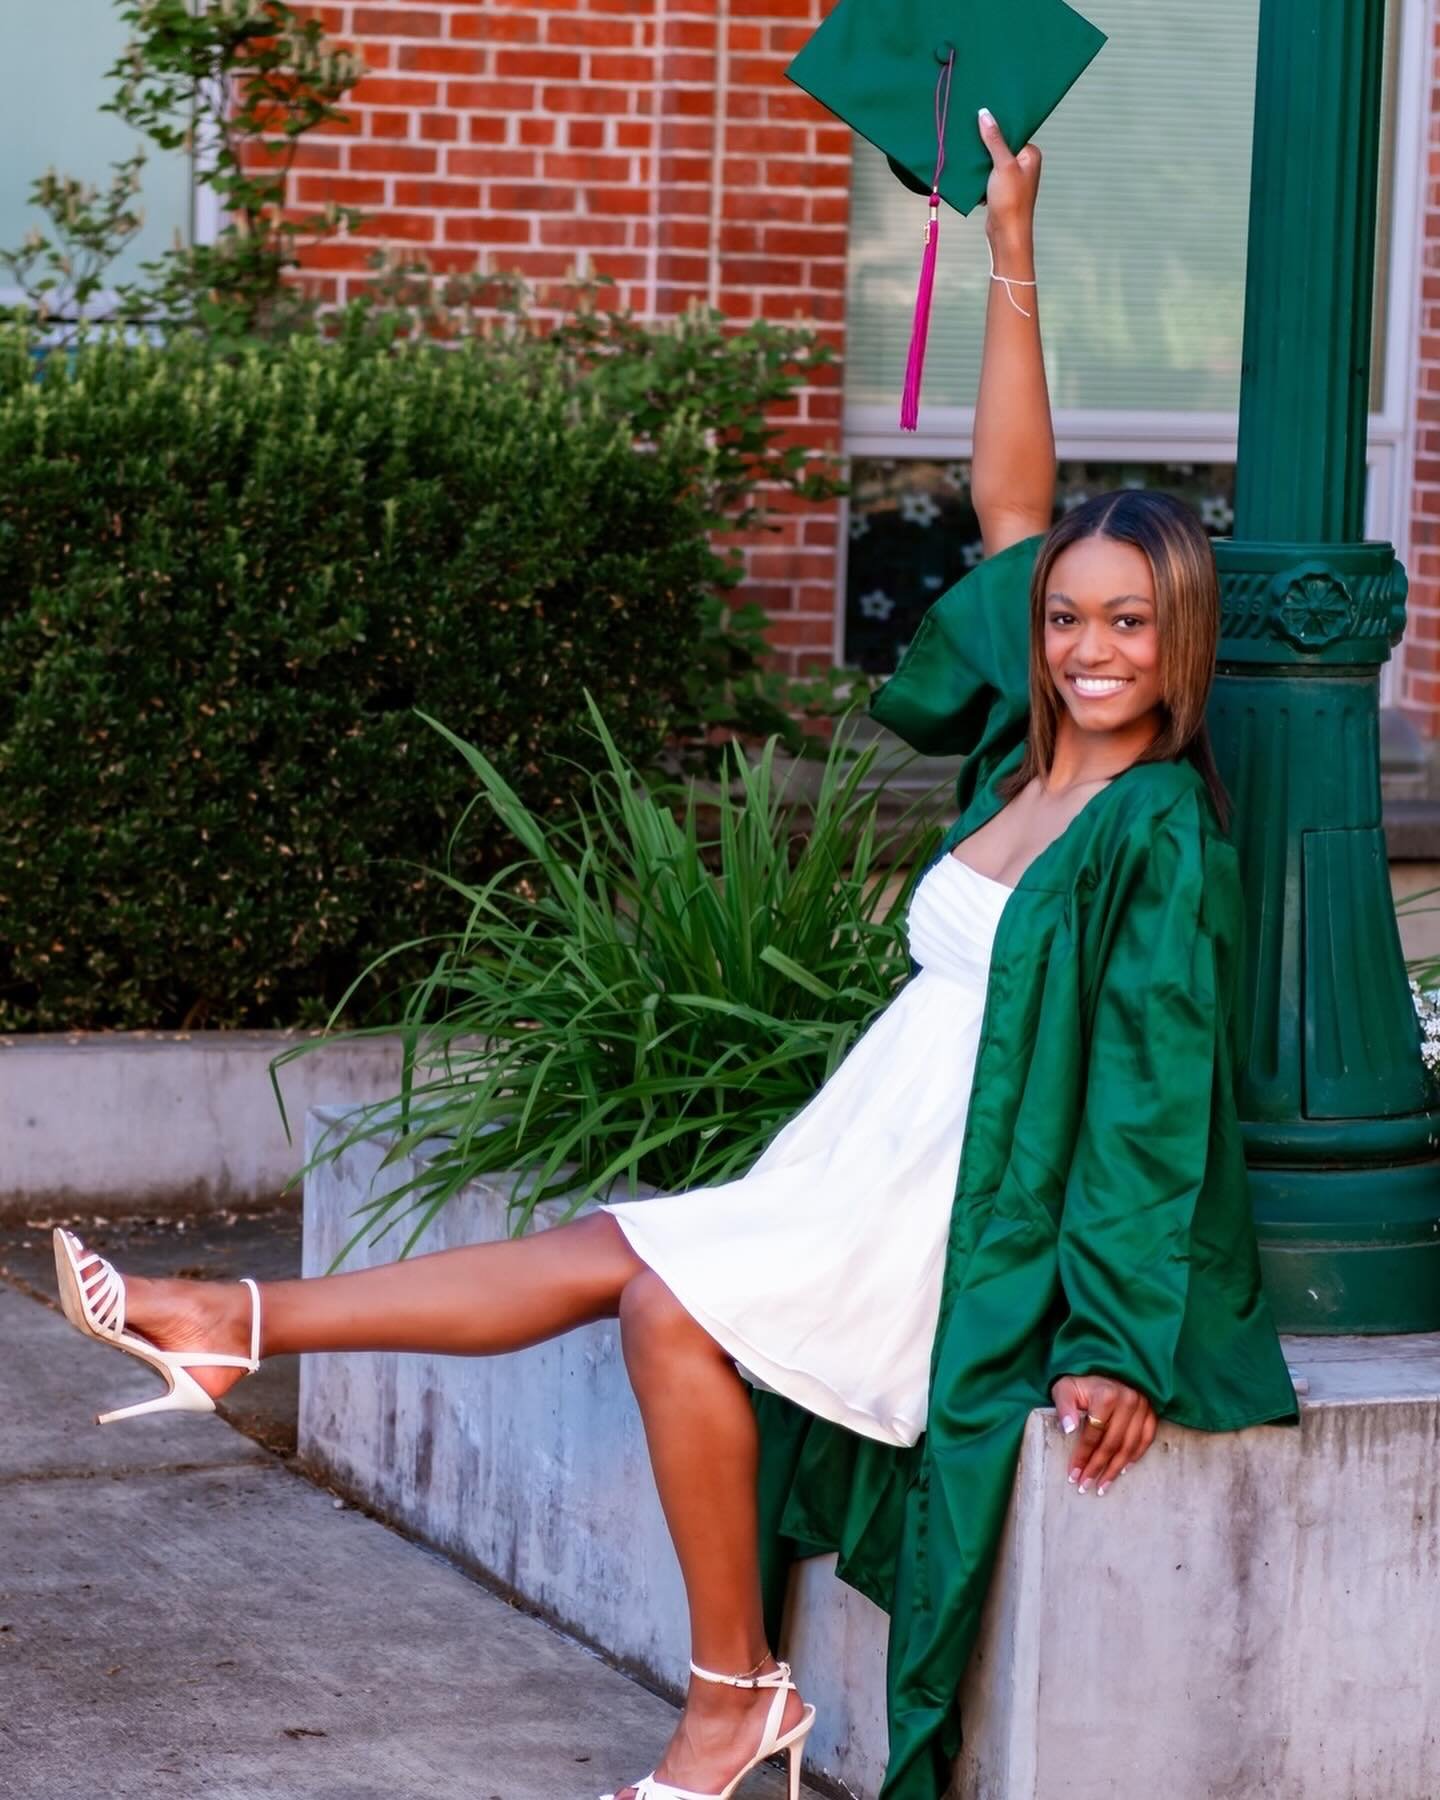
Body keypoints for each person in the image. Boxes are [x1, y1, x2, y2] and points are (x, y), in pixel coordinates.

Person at [50, 115, 1298, 1800]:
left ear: (1183, 643)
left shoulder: (1159, 834)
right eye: (1069, 617)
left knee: (651, 1292)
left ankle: (722, 1690)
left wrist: (1113, 1342)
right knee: (627, 1269)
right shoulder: (1022, 757)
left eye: (1128, 622)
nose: (1085, 644)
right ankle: (246, 1333)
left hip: (956, 1202)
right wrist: (1012, 240)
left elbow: (1155, 1100)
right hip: (867, 1153)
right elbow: (1015, 498)